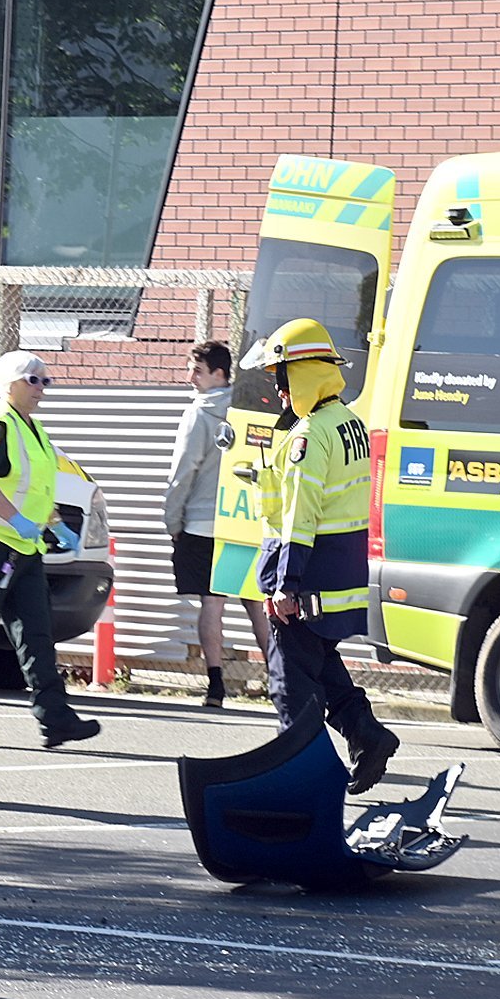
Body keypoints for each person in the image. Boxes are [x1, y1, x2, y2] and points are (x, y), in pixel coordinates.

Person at [238, 318, 401, 792]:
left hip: (306, 582)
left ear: (303, 374)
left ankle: (303, 785)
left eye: (282, 378)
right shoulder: (349, 421)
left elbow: (300, 516)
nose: (278, 390)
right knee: (322, 670)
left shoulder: (309, 435)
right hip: (339, 575)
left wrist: (285, 585)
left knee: (289, 685)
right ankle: (368, 737)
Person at [0, 350, 102, 750]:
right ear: (9, 383)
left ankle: (55, 717)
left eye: (46, 381)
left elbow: (38, 491)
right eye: (34, 380)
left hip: (23, 549)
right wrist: (17, 520)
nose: (42, 388)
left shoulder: (34, 430)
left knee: (37, 634)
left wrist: (57, 528)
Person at [161, 339, 270, 708]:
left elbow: (183, 471)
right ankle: (283, 680)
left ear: (218, 374)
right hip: (244, 519)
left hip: (205, 523)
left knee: (212, 604)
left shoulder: (198, 414)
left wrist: (172, 519)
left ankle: (215, 685)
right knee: (256, 604)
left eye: (197, 370)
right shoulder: (249, 409)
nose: (189, 377)